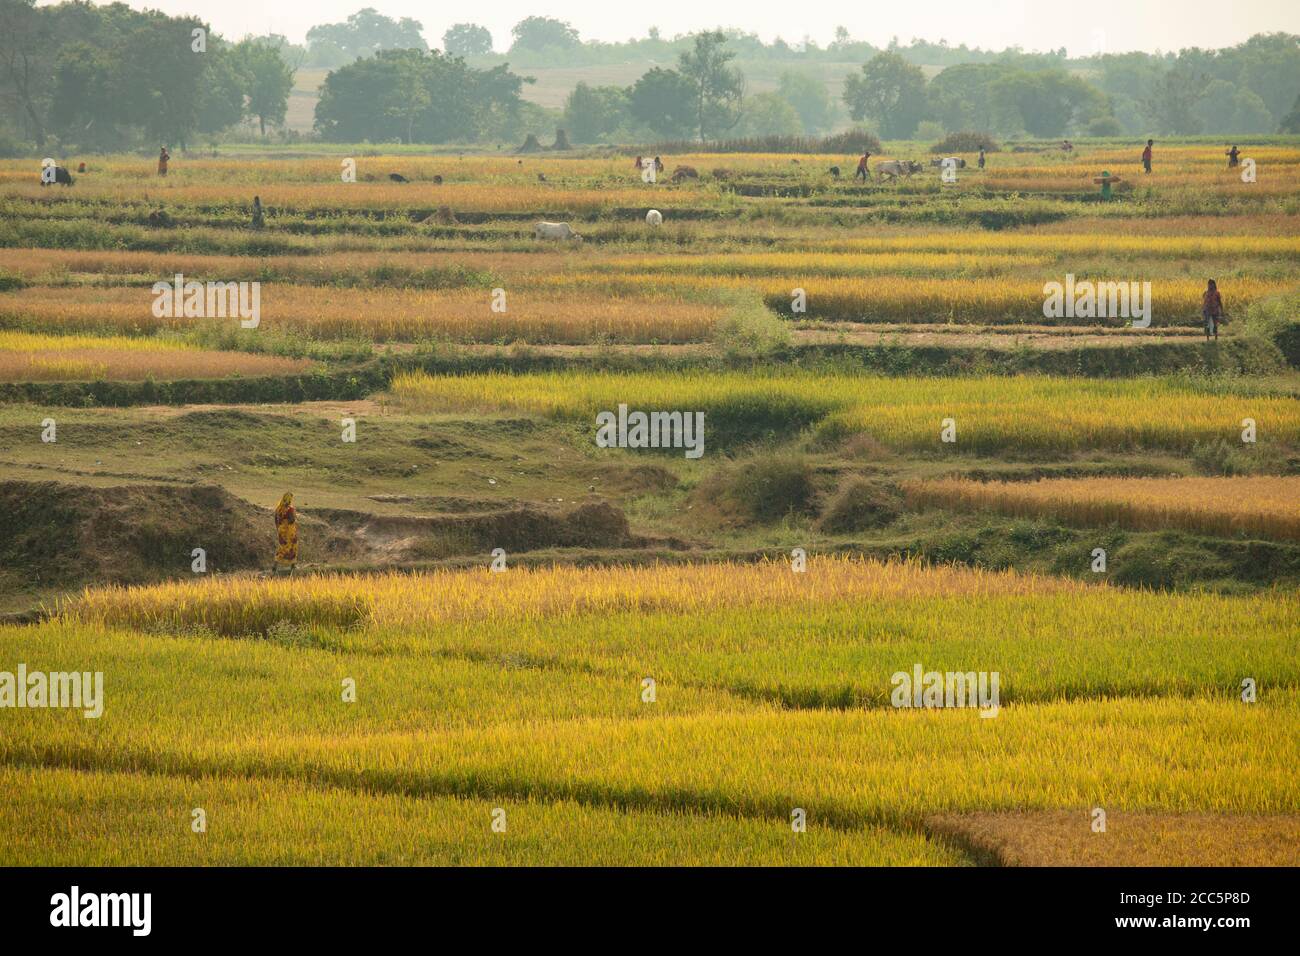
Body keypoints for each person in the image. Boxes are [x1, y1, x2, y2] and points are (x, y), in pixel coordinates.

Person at [274, 492, 298, 573]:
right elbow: (292, 520)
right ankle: (293, 565)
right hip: (289, 531)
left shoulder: (278, 508)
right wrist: (294, 516)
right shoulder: (290, 509)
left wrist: (278, 528)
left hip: (281, 530)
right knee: (292, 546)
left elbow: (275, 519)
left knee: (282, 547)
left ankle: (275, 564)